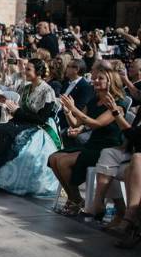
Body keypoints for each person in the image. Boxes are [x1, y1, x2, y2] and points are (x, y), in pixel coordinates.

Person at [0, 59, 60, 196]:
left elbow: (41, 119)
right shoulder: (25, 88)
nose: (25, 71)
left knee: (8, 135)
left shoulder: (47, 91)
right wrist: (6, 103)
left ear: (39, 72)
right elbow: (16, 109)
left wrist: (17, 111)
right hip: (22, 121)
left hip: (38, 126)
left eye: (29, 69)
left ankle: (3, 178)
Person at [48, 66, 129, 216]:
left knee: (63, 162)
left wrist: (74, 108)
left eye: (100, 78)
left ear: (111, 81)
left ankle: (76, 200)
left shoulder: (118, 103)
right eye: (95, 78)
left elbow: (96, 123)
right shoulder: (95, 100)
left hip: (108, 147)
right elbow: (76, 123)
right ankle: (75, 199)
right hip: (93, 144)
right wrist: (68, 112)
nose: (95, 81)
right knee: (53, 158)